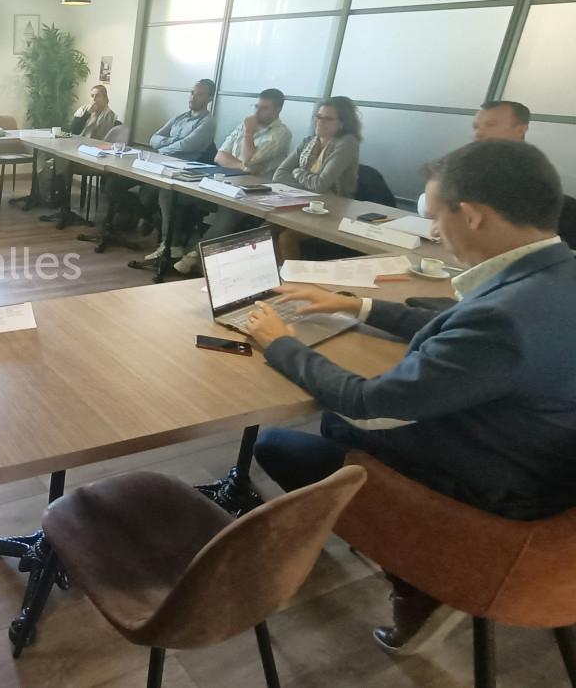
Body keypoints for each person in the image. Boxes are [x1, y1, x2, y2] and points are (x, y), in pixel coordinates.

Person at [246, 139, 576, 654]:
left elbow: (369, 405)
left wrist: (280, 344)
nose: (434, 232)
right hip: (545, 466)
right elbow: (460, 333)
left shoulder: (505, 319)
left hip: (502, 495)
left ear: (471, 215)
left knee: (297, 439)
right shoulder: (555, 274)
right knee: (332, 429)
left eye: (436, 215)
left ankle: (417, 582)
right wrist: (356, 306)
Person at [418, 100, 575, 248]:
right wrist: (444, 220)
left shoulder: (531, 171)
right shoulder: (467, 160)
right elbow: (428, 204)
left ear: (520, 130)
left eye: (490, 125)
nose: (479, 133)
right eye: (476, 127)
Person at [172, 88, 293, 274]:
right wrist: (242, 166)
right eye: (256, 106)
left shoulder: (281, 134)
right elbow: (220, 156)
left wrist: (248, 135)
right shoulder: (245, 125)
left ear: (278, 111)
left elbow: (250, 160)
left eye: (264, 109)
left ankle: (195, 256)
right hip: (226, 179)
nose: (257, 112)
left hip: (256, 190)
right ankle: (172, 245)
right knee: (175, 193)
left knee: (228, 209)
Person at [127, 79, 218, 266]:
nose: (193, 97)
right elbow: (154, 138)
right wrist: (168, 145)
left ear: (209, 98)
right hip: (164, 164)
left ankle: (169, 243)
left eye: (199, 94)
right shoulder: (180, 117)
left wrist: (165, 145)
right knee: (139, 185)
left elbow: (188, 145)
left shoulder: (208, 122)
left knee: (161, 193)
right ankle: (153, 223)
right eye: (192, 92)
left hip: (186, 171)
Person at [270, 95, 362, 259]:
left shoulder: (347, 143)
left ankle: (294, 284)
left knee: (287, 238)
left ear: (342, 123)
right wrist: (308, 182)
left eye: (328, 119)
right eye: (318, 117)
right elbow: (279, 174)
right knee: (265, 229)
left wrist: (298, 172)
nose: (320, 122)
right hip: (303, 202)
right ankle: (275, 280)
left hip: (334, 209)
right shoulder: (309, 141)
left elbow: (320, 185)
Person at [40, 85, 128, 226]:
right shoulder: (83, 110)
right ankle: (61, 204)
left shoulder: (111, 116)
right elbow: (73, 130)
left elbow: (104, 140)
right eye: (92, 95)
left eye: (97, 95)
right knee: (57, 161)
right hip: (76, 148)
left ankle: (62, 204)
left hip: (94, 154)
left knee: (60, 163)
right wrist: (87, 114)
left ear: (105, 98)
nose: (94, 99)